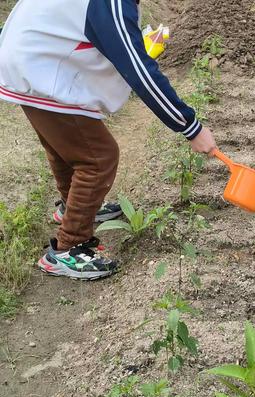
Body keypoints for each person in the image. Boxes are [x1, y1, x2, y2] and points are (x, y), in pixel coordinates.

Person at [0, 0, 217, 280]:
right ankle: (69, 248)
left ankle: (73, 207)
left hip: (26, 57)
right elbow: (139, 70)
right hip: (36, 65)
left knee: (67, 146)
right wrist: (191, 127)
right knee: (98, 158)